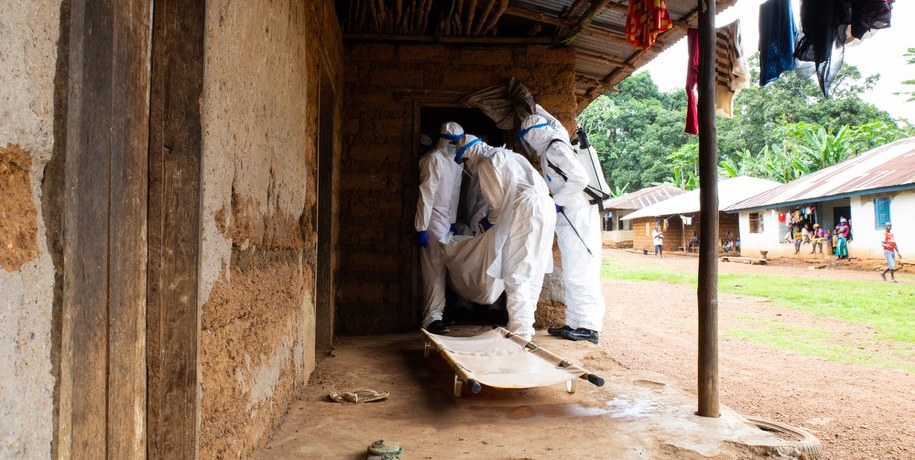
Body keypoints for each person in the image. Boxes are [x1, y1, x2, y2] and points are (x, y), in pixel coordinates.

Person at [453, 134, 556, 342]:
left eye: (464, 159)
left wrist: (486, 224)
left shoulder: (486, 162)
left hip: (525, 210)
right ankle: (526, 325)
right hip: (546, 207)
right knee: (533, 270)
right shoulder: (509, 155)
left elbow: (497, 203)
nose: (466, 164)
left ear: (470, 153)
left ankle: (520, 332)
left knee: (515, 272)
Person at [518, 114, 606, 345]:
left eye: (527, 137)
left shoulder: (555, 148)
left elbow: (580, 178)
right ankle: (574, 322)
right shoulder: (554, 141)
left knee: (581, 271)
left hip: (577, 215)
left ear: (534, 134)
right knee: (572, 271)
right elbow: (553, 120)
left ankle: (588, 326)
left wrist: (556, 200)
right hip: (570, 216)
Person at [415, 122, 464, 333]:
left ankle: (443, 312)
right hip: (432, 217)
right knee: (433, 269)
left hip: (445, 220)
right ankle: (432, 317)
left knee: (445, 268)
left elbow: (455, 193)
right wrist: (421, 226)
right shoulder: (432, 159)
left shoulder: (455, 162)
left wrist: (452, 220)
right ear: (442, 139)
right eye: (451, 141)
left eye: (457, 142)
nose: (454, 145)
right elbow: (426, 194)